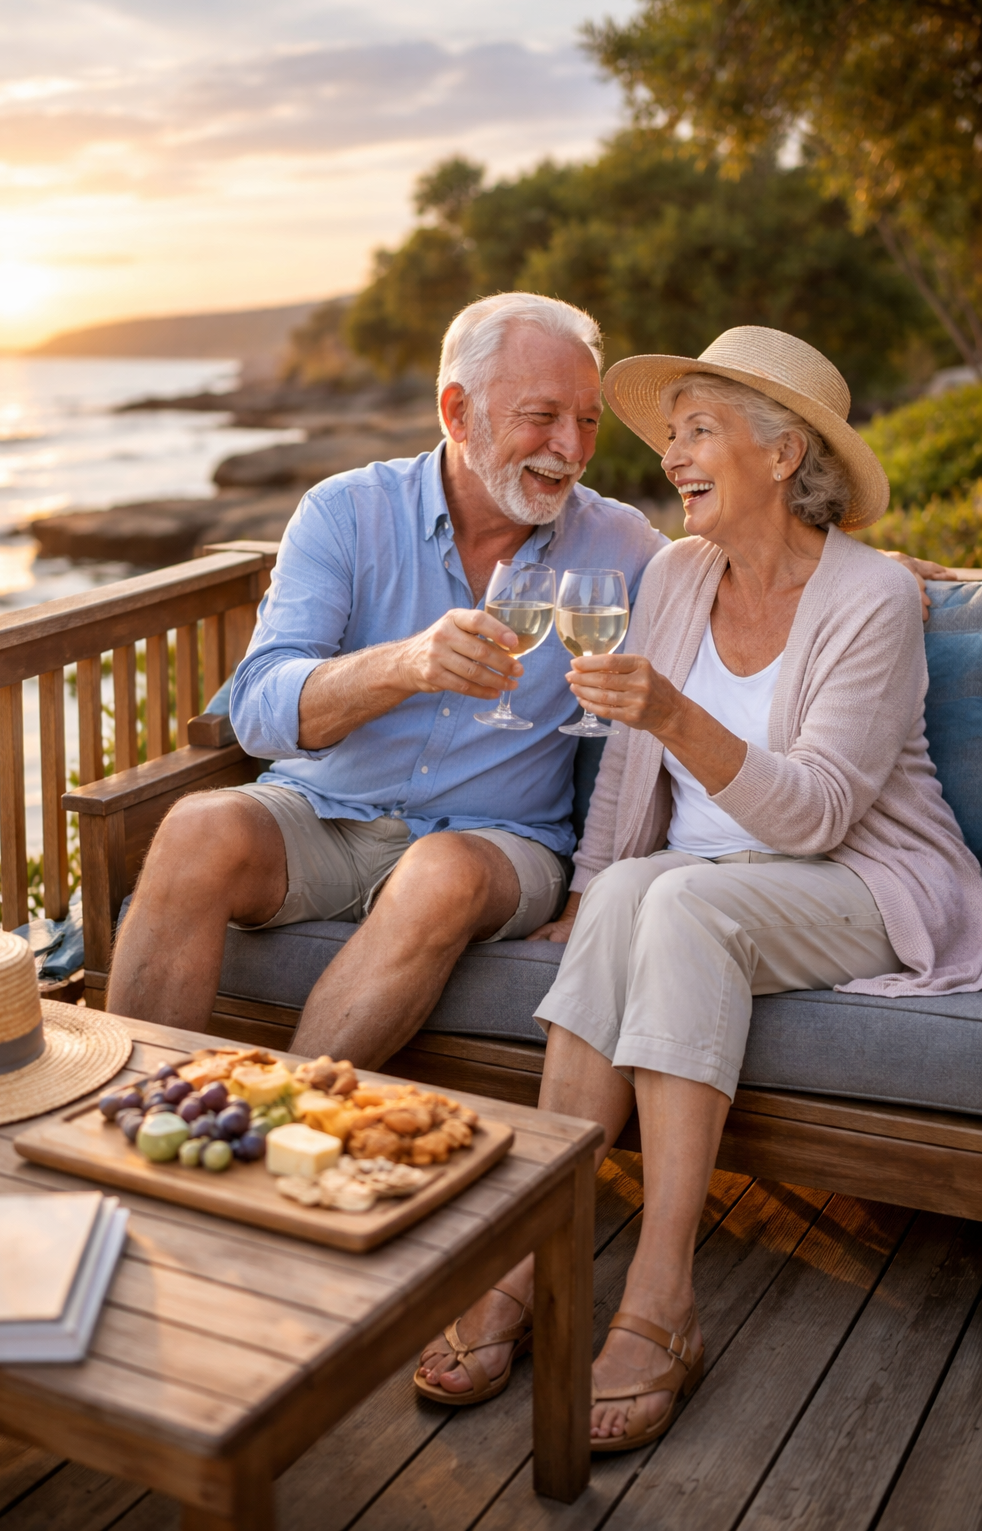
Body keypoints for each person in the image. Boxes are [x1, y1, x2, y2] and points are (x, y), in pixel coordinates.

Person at [415, 325, 982, 1452]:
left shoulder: (870, 598)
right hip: (708, 887)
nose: (672, 454)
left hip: (866, 880)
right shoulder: (674, 574)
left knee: (673, 897)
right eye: (671, 435)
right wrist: (584, 897)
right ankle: (538, 1256)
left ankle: (662, 1300)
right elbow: (626, 768)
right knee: (637, 895)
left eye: (700, 431)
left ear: (782, 455)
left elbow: (818, 814)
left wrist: (673, 711)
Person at [106, 293, 669, 1057]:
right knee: (198, 826)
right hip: (324, 812)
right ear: (456, 410)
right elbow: (260, 710)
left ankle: (296, 1119)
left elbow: (734, 590)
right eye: (542, 416)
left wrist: (878, 578)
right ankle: (137, 1114)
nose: (569, 448)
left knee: (440, 872)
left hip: (499, 844)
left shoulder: (624, 544)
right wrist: (406, 665)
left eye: (588, 420)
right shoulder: (344, 513)